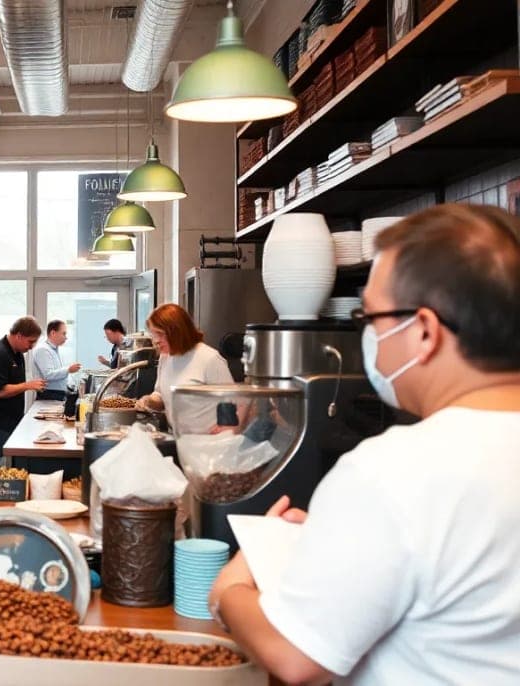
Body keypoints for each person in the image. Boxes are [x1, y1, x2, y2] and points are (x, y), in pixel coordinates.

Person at [208, 204, 520, 685]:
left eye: (369, 318)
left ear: (423, 331)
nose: (368, 338)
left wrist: (230, 588)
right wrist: (344, 535)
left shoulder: (396, 470)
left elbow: (295, 659)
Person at [136, 303, 233, 432]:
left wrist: (221, 431)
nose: (156, 341)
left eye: (160, 334)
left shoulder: (210, 359)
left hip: (208, 443)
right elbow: (160, 394)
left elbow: (232, 404)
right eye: (154, 334)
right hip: (179, 439)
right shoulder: (165, 357)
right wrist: (148, 401)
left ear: (177, 331)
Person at [0, 317, 46, 469]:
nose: (32, 346)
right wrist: (28, 385)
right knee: (0, 469)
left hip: (11, 421)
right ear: (19, 335)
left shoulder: (18, 354)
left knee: (10, 467)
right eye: (30, 341)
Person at [32, 319, 82, 401]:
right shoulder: (43, 350)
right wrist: (68, 370)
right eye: (64, 333)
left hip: (57, 394)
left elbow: (58, 373)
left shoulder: (55, 350)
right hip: (49, 394)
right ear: (53, 333)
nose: (66, 337)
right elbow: (48, 375)